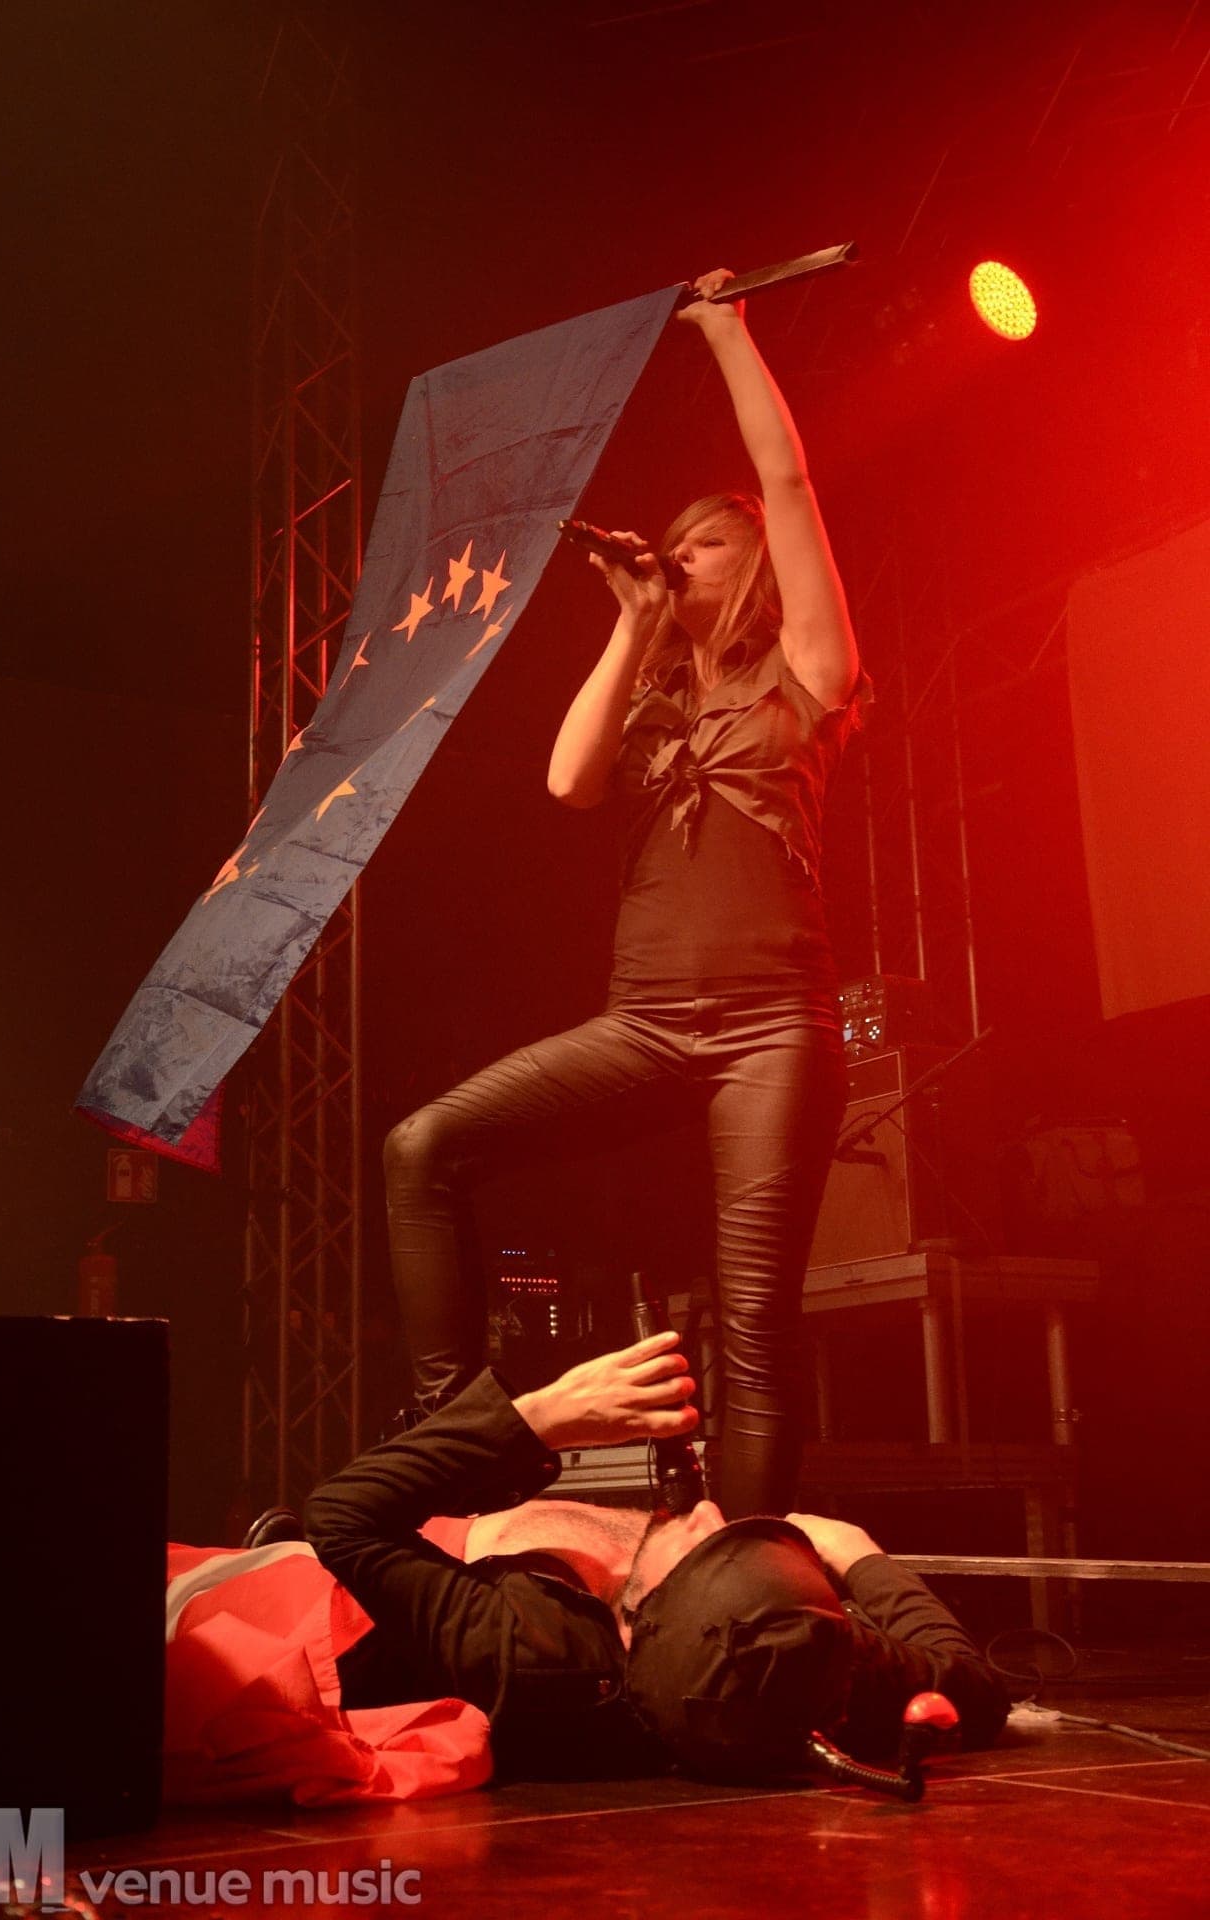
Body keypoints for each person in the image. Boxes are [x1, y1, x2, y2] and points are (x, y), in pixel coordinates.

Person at [383, 268, 870, 1519]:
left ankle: (746, 1571)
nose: (679, 551)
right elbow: (567, 782)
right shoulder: (654, 699)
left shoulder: (808, 671)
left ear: (753, 568)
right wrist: (635, 623)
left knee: (753, 1322)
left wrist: (723, 331)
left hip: (771, 1030)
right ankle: (458, 1453)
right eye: (675, 539)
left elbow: (788, 485)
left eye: (704, 542)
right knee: (423, 1146)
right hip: (647, 1021)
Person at [304, 1332, 1008, 1785]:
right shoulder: (805, 1666)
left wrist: (541, 1417)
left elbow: (340, 1517)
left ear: (635, 1625)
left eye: (704, 1545)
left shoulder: (530, 1651)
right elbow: (975, 1690)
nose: (709, 1513)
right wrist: (858, 1556)